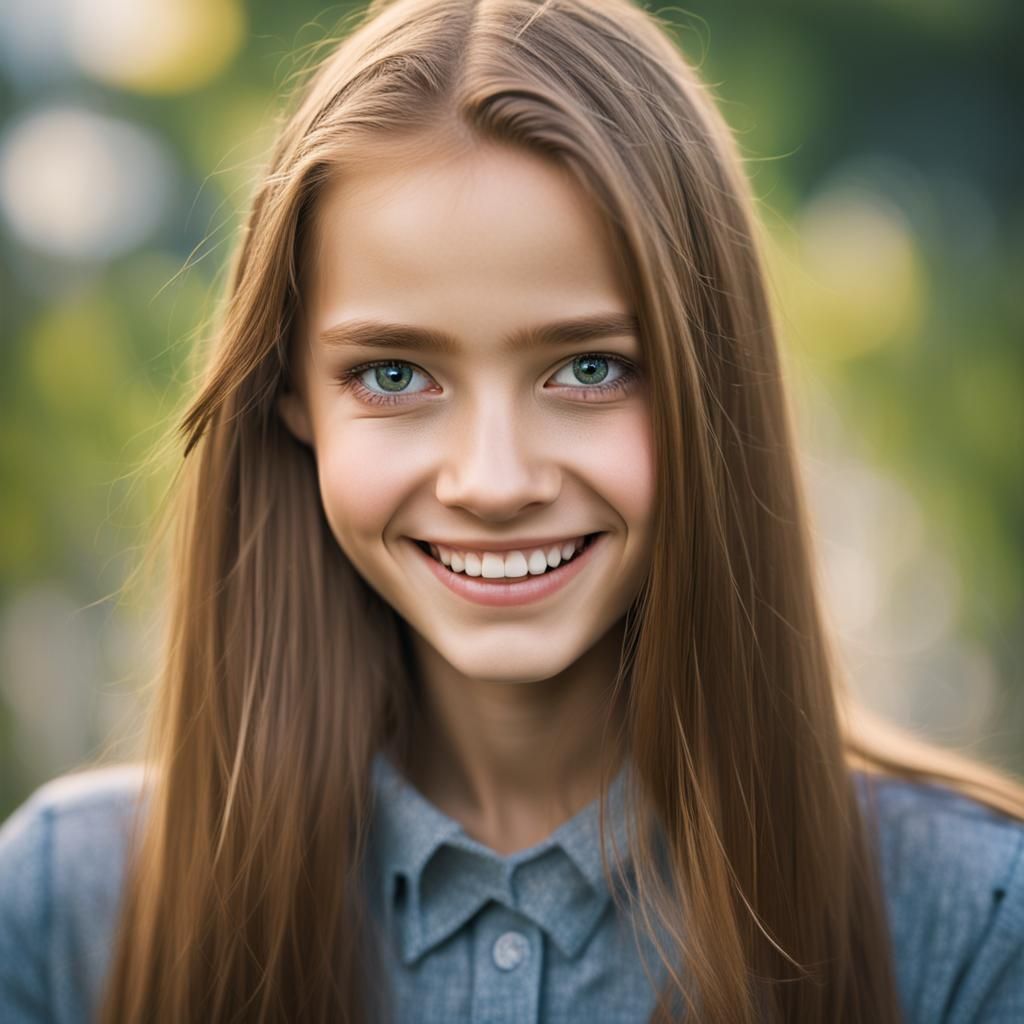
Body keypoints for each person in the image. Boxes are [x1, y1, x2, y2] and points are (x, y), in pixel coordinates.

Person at [2, 0, 1023, 1020]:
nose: (491, 481)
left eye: (588, 368)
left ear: (714, 383)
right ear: (293, 401)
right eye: (394, 374)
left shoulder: (972, 918)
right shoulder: (66, 906)